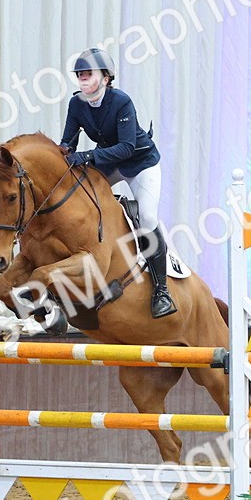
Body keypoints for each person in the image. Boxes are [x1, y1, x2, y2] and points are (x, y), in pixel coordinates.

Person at [59, 47, 176, 319]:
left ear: (106, 78)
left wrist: (87, 156)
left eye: (88, 74)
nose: (83, 78)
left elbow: (126, 148)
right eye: (80, 74)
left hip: (140, 164)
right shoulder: (76, 104)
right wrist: (59, 155)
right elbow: (67, 142)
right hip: (109, 162)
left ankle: (162, 290)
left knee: (148, 217)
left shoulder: (121, 101)